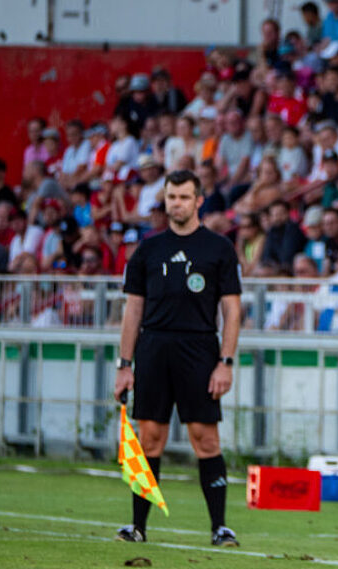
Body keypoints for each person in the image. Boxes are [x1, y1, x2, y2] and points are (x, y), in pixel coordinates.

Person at [112, 170, 242, 547]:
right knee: (149, 438)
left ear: (199, 200)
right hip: (153, 349)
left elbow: (233, 313)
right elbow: (132, 311)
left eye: (184, 197)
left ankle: (220, 527)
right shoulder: (147, 250)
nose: (177, 204)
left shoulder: (219, 248)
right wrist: (125, 365)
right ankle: (137, 526)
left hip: (200, 349)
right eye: (171, 197)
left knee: (205, 438)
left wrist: (226, 361)